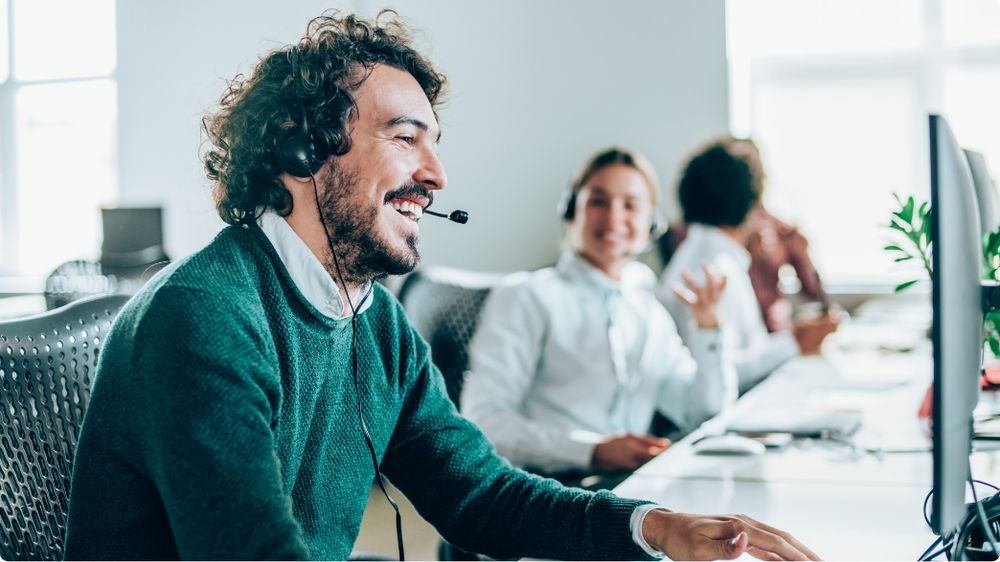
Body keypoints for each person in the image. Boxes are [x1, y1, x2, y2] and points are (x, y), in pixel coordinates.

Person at [64, 11, 818, 561]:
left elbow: (477, 491)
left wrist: (655, 528)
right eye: (405, 137)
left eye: (435, 143)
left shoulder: (373, 320)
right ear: (303, 151)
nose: (437, 175)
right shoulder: (206, 316)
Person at [461, 147, 737, 477]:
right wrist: (591, 451)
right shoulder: (527, 296)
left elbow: (701, 412)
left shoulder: (647, 311)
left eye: (630, 205)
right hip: (545, 488)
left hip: (627, 487)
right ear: (571, 210)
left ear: (651, 223)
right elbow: (485, 423)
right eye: (598, 201)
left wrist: (709, 329)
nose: (614, 217)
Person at [658, 140, 839, 393]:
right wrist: (795, 342)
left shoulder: (703, 255)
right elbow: (724, 372)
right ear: (754, 203)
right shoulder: (714, 270)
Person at [660, 137, 826, 333]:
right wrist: (797, 343)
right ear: (753, 204)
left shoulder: (693, 255)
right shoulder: (719, 272)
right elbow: (734, 352)